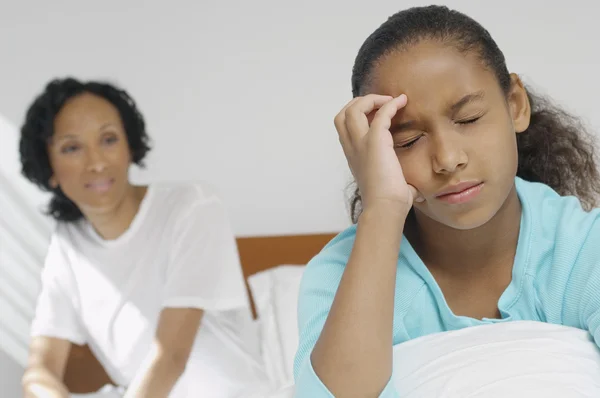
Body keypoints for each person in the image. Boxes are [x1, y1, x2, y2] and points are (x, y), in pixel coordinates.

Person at [293, 5, 600, 398]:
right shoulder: (335, 276)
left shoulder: (582, 248)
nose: (447, 158)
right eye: (407, 140)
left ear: (515, 105)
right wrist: (382, 207)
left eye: (469, 119)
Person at [19, 78, 265, 397]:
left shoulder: (193, 206)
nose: (96, 163)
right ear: (47, 165)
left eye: (108, 139)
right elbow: (40, 370)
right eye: (72, 147)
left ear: (129, 146)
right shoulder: (69, 242)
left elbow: (170, 357)